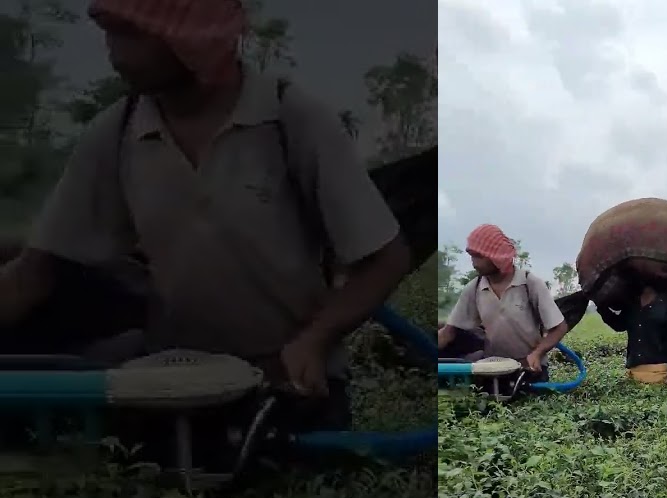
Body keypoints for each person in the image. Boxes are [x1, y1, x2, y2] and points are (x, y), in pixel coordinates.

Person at [0, 0, 413, 433]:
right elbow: (35, 272)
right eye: (110, 35)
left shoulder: (289, 120)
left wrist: (314, 341)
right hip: (174, 380)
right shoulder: (117, 131)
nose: (115, 55)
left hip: (286, 379)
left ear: (192, 41)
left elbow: (386, 259)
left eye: (131, 36)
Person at [438, 224, 569, 389]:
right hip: (492, 368)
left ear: (495, 256)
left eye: (478, 257)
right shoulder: (474, 288)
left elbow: (560, 327)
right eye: (471, 256)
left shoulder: (530, 284)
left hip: (528, 367)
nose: (473, 263)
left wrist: (537, 354)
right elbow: (448, 333)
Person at [600, 285, 667, 386]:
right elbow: (620, 324)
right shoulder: (632, 299)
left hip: (662, 373)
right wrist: (602, 307)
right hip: (634, 375)